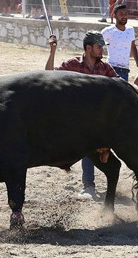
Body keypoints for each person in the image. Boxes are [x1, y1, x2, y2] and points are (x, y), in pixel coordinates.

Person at [45, 30, 118, 200]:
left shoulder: (105, 68)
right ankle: (88, 185)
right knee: (89, 144)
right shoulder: (73, 64)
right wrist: (52, 51)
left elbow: (120, 86)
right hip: (76, 118)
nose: (102, 50)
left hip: (98, 118)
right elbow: (49, 75)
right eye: (99, 47)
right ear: (88, 48)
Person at [100, 4, 138, 80]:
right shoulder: (108, 31)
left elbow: (132, 46)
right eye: (121, 14)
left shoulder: (130, 30)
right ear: (115, 15)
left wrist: (137, 61)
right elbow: (97, 43)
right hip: (111, 69)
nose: (124, 16)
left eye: (126, 14)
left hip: (125, 70)